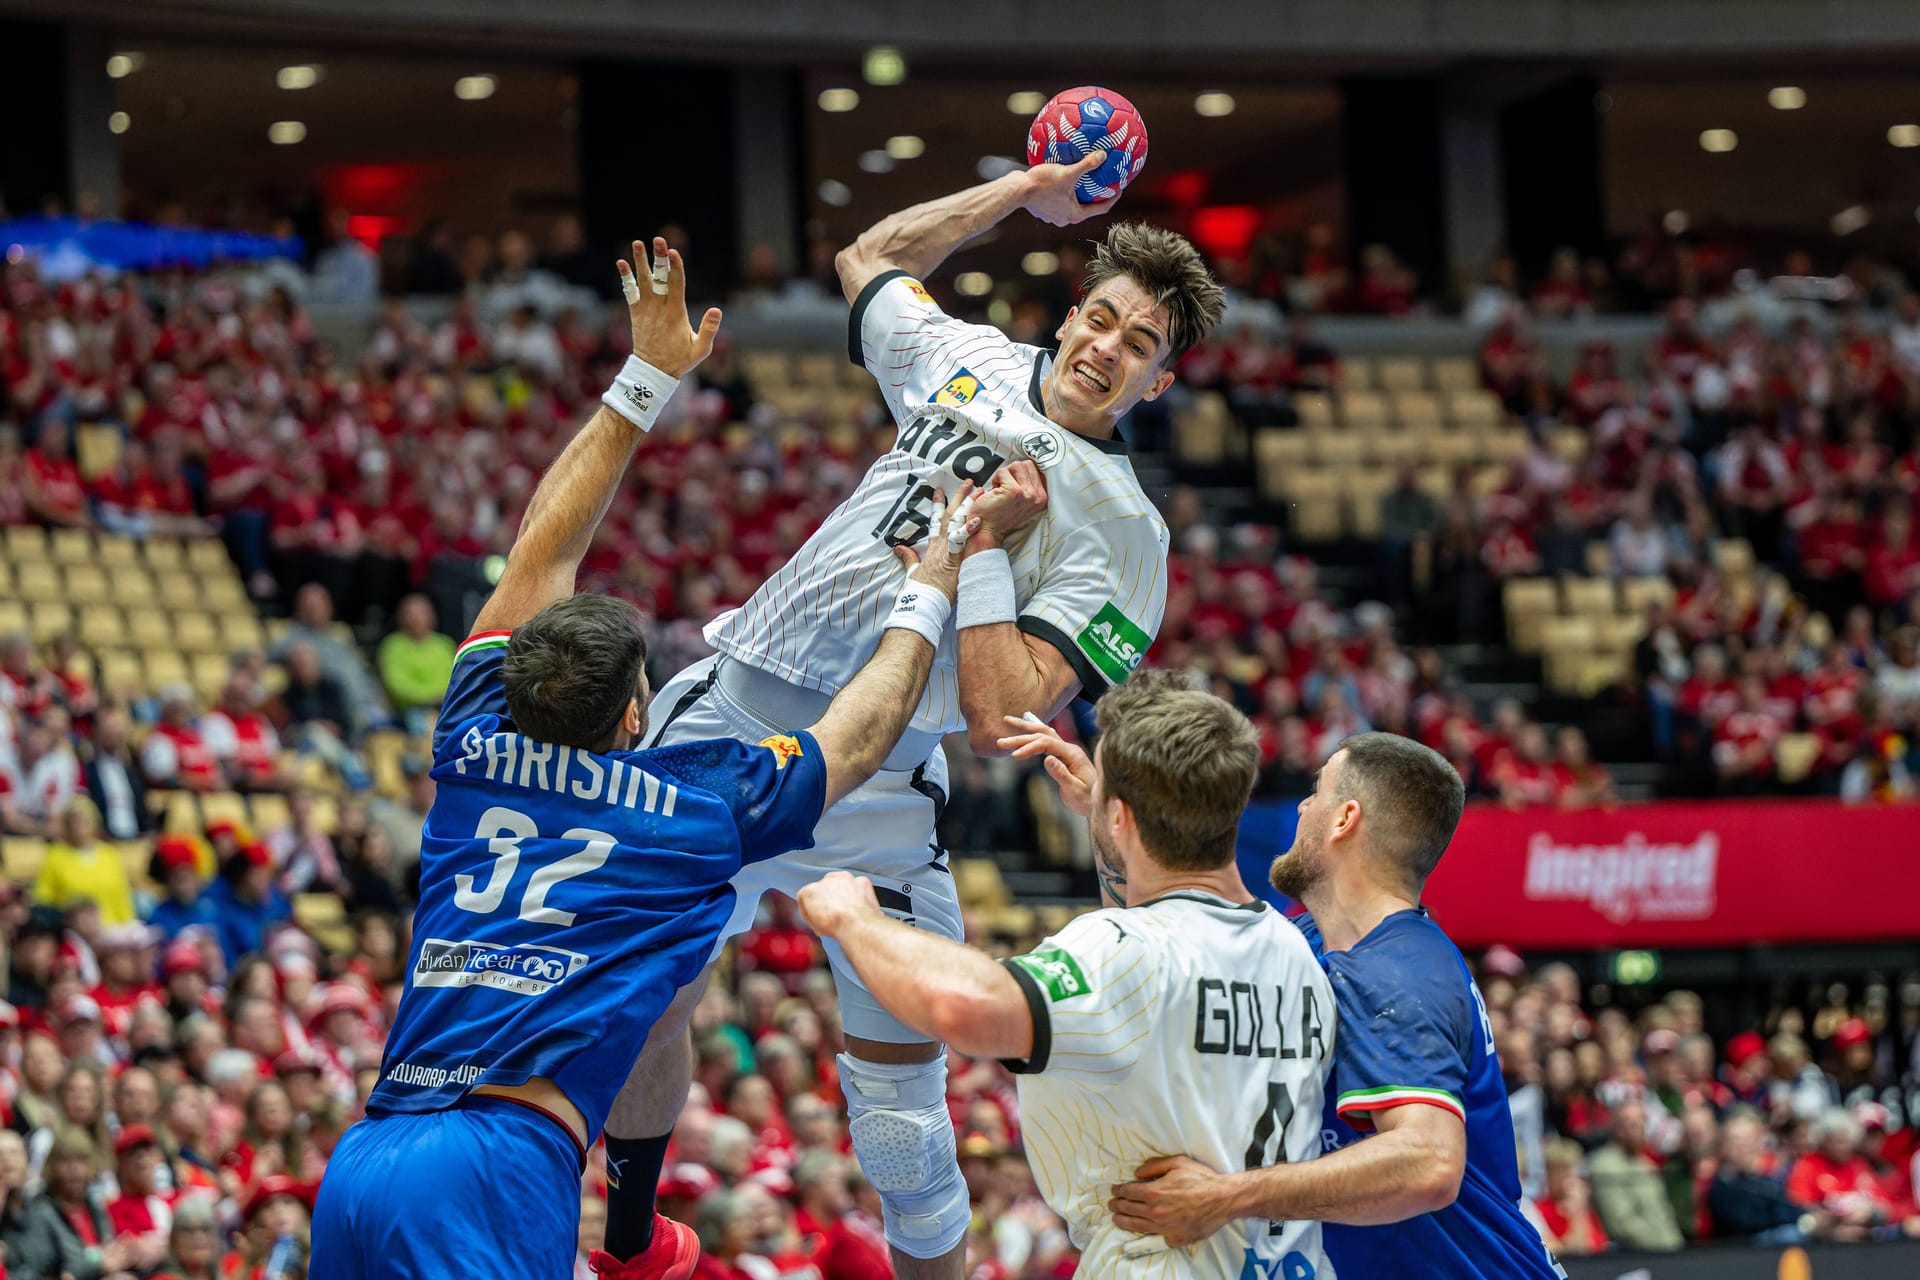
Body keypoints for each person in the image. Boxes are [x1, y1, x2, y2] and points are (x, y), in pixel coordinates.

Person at [309, 237, 998, 1280]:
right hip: (497, 1169)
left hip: (368, 1153)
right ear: (638, 714)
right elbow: (856, 739)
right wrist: (934, 582)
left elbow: (543, 544)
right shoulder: (684, 812)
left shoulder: (473, 739)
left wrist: (646, 373)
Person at [609, 151, 1226, 1280]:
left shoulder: (1128, 534)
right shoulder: (972, 354)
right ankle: (630, 1238)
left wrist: (980, 551)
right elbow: (872, 257)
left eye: (1140, 345)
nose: (1105, 349)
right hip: (733, 713)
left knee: (902, 1119)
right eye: (1100, 318)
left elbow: (1002, 717)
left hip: (885, 784)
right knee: (641, 1001)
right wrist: (1022, 193)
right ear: (1070, 315)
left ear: (1160, 381)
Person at [799, 672, 1335, 1276]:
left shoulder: (1123, 951)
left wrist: (856, 921)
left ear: (1123, 816)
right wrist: (1106, 821)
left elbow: (963, 1007)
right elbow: (1159, 945)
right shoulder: (1292, 948)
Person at [1107, 733, 1568, 1278]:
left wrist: (1225, 1197)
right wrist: (1112, 830)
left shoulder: (1396, 973)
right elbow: (1154, 958)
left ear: (1344, 819)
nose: (1302, 806)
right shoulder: (1309, 942)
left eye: (1315, 790)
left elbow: (1429, 1162)